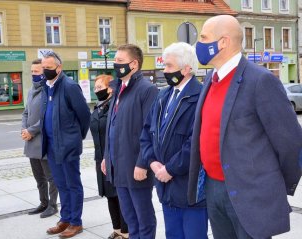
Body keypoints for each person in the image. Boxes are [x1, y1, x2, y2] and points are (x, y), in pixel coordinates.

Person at [187, 15, 302, 239]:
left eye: (203, 38)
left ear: (223, 42)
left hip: (251, 194)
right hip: (213, 188)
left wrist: (272, 186)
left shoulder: (260, 80)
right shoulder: (210, 79)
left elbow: (291, 142)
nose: (198, 44)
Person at [140, 42, 208, 239]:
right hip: (166, 188)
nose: (164, 71)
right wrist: (152, 162)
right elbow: (146, 133)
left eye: (169, 66)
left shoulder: (200, 97)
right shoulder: (163, 95)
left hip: (190, 190)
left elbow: (196, 143)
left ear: (186, 69)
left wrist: (169, 169)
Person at [102, 44, 159, 239]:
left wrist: (143, 163)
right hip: (118, 165)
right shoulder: (118, 88)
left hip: (136, 167)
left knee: (143, 219)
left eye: (119, 61)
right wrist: (106, 157)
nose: (115, 64)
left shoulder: (147, 90)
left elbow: (150, 130)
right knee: (129, 218)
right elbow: (112, 127)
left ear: (133, 64)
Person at [41, 51, 91, 238]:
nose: (45, 71)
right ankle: (66, 218)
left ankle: (76, 222)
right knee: (61, 184)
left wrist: (76, 137)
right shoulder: (46, 86)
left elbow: (84, 115)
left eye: (49, 68)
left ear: (59, 68)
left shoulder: (69, 86)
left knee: (72, 184)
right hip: (51, 146)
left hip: (67, 146)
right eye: (43, 67)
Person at [90, 74, 129, 239]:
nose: (96, 90)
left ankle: (126, 232)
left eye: (100, 87)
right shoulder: (98, 107)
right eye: (95, 88)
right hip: (100, 157)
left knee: (120, 196)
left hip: (114, 158)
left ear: (110, 89)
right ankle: (117, 229)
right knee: (109, 195)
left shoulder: (115, 107)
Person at [21, 59, 58, 218]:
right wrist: (24, 129)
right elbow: (25, 112)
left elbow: (46, 116)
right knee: (39, 177)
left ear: (44, 73)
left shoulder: (48, 90)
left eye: (36, 72)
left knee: (51, 176)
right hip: (30, 141)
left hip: (43, 140)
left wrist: (31, 130)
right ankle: (43, 202)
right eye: (32, 72)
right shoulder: (31, 91)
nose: (33, 75)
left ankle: (52, 205)